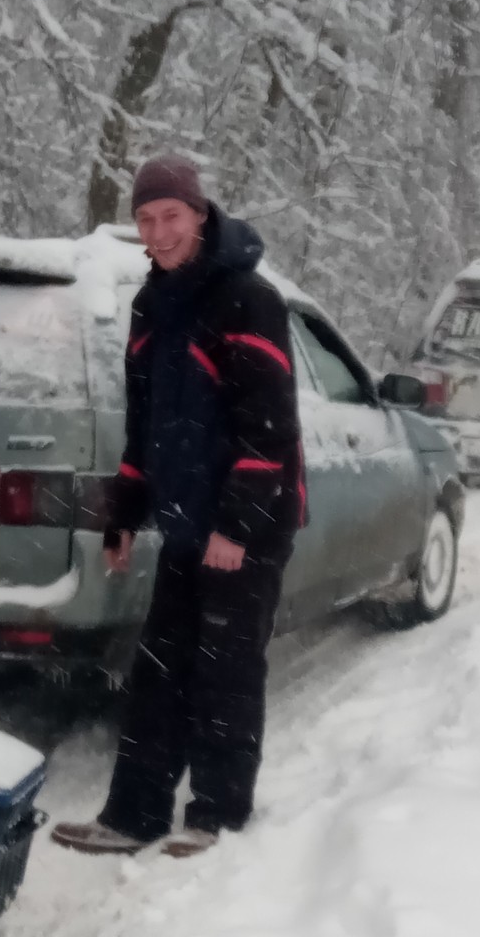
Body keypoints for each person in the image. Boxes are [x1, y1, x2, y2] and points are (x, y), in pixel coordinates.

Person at [53, 154, 303, 858]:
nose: (158, 232)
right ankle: (134, 815)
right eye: (145, 219)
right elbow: (146, 424)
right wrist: (124, 515)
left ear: (199, 213)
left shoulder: (248, 300)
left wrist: (237, 525)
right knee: (158, 669)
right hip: (187, 521)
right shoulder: (150, 305)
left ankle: (217, 815)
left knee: (225, 669)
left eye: (170, 216)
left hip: (244, 526)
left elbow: (270, 427)